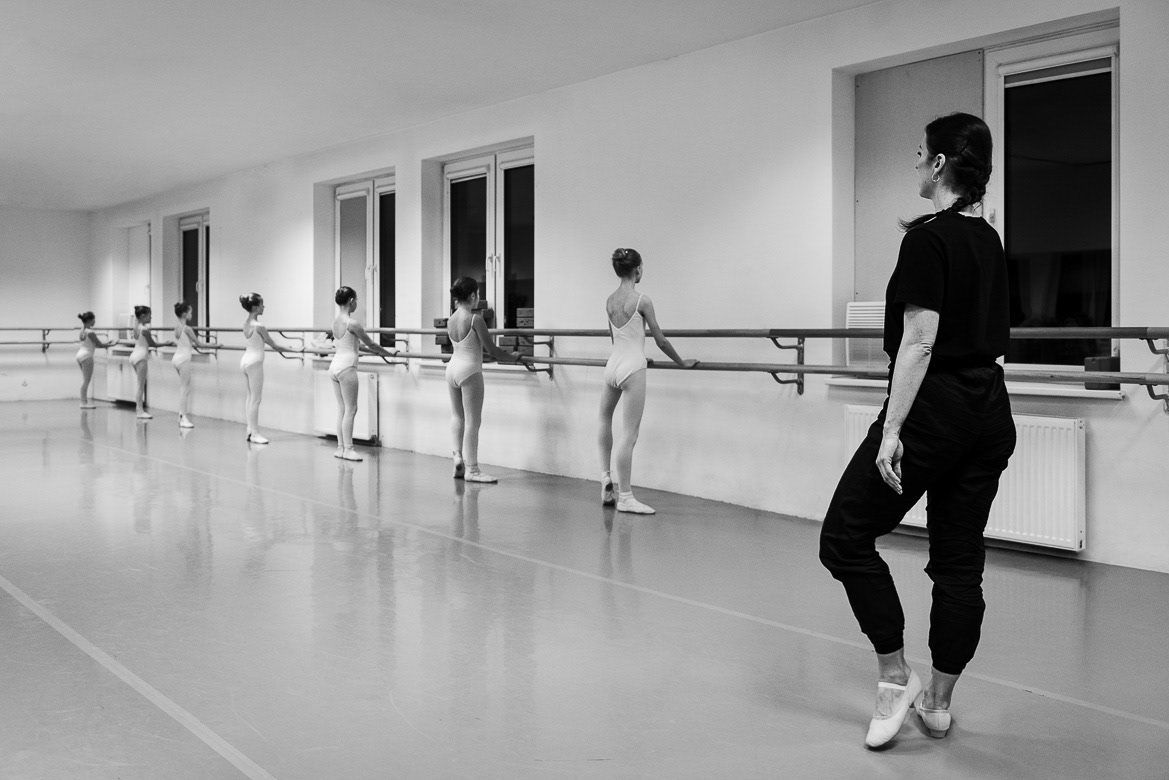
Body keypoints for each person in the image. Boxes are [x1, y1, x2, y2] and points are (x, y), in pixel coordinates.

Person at [819, 113, 1016, 749]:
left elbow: (920, 341)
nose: (914, 165)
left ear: (938, 164)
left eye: (918, 154)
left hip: (935, 410)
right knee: (959, 561)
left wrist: (891, 430)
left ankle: (894, 677)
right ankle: (937, 702)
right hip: (990, 409)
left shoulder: (928, 240)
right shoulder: (988, 239)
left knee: (844, 536)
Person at [597, 248, 697, 514]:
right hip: (633, 368)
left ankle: (605, 477)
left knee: (604, 419)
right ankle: (625, 497)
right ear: (638, 269)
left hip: (613, 365)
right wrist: (681, 362)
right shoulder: (642, 300)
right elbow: (660, 340)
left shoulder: (609, 301)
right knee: (629, 434)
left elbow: (616, 338)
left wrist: (633, 354)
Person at [445, 277, 521, 483]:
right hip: (469, 370)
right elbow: (492, 350)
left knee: (457, 416)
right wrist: (512, 357)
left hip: (452, 368)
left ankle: (457, 457)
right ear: (472, 296)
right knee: (473, 421)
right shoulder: (475, 319)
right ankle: (472, 469)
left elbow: (469, 347)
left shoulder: (451, 319)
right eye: (477, 294)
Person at [329, 286, 396, 461]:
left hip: (335, 366)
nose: (357, 303)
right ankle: (348, 449)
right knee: (351, 409)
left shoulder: (335, 322)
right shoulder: (352, 323)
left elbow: (356, 345)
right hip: (346, 367)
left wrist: (379, 351)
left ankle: (340, 447)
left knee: (342, 409)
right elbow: (371, 344)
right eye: (356, 300)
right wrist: (389, 353)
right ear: (351, 301)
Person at [239, 293, 288, 444]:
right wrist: (294, 349)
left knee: (250, 397)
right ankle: (254, 433)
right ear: (255, 307)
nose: (263, 307)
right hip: (254, 363)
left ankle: (250, 429)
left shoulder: (246, 323)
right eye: (261, 304)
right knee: (256, 399)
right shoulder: (259, 326)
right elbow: (274, 345)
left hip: (245, 361)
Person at [172, 302, 216, 428]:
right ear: (184, 314)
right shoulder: (187, 328)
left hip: (176, 358)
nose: (192, 315)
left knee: (183, 388)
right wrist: (215, 345)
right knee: (185, 389)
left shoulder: (177, 328)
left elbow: (186, 343)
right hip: (183, 359)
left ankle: (181, 415)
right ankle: (183, 417)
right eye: (190, 313)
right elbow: (199, 344)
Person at [126, 305, 174, 420]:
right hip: (141, 357)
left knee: (139, 384)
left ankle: (139, 409)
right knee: (140, 385)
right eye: (149, 315)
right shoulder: (145, 329)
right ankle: (139, 411)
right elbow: (153, 344)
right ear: (143, 316)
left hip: (134, 355)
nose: (151, 318)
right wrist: (167, 343)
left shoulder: (136, 326)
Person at [76, 311, 112, 408]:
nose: (94, 321)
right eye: (93, 319)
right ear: (89, 320)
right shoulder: (90, 332)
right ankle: (83, 403)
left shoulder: (82, 330)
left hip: (80, 355)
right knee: (86, 381)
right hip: (86, 356)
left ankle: (84, 402)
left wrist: (108, 343)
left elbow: (93, 344)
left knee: (85, 380)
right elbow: (99, 344)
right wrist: (113, 344)